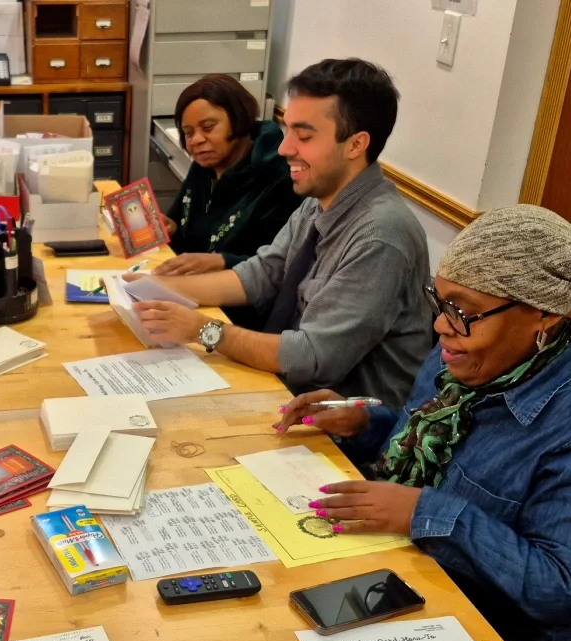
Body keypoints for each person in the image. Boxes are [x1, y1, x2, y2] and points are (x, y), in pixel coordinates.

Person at [278, 205, 571, 641]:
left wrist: (426, 512)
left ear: (543, 312)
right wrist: (367, 423)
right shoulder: (466, 355)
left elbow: (561, 591)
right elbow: (437, 452)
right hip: (418, 580)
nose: (440, 326)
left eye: (461, 309)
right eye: (439, 300)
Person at [129, 59, 431, 407]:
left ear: (355, 145)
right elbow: (260, 274)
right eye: (286, 130)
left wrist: (203, 330)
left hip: (344, 437)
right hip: (287, 393)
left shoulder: (380, 236)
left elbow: (315, 358)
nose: (285, 148)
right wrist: (148, 289)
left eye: (303, 136)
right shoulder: (319, 201)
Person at [155, 75, 304, 330]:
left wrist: (223, 260)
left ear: (238, 120)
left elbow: (279, 270)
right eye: (188, 133)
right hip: (190, 296)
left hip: (240, 319)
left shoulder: (280, 178)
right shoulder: (205, 165)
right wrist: (170, 229)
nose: (196, 141)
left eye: (208, 127)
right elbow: (186, 239)